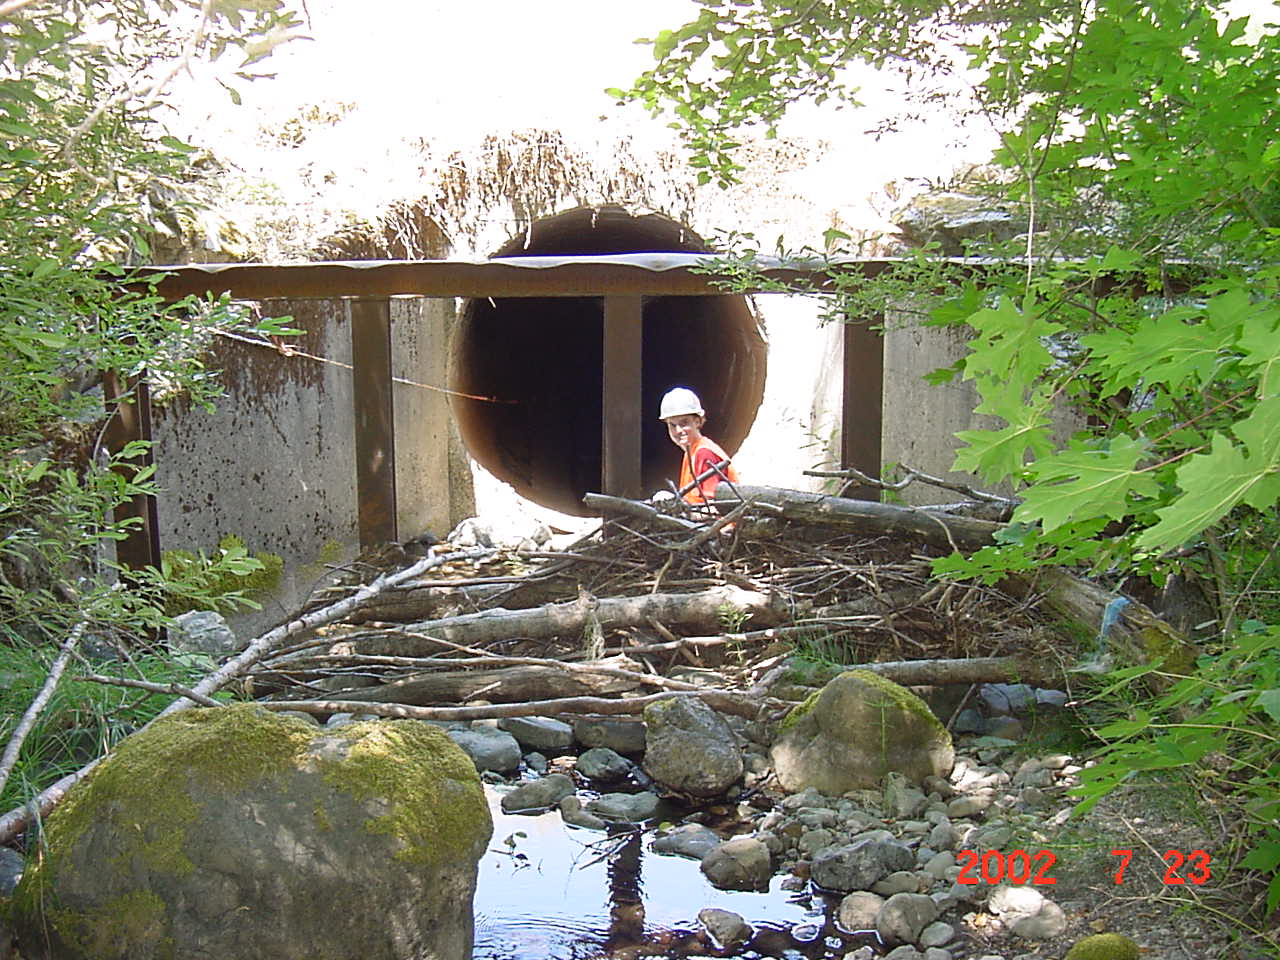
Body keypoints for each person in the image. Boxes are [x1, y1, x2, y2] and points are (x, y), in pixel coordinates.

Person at [658, 387, 739, 508]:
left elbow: (711, 508)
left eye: (684, 423)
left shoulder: (704, 453)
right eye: (672, 425)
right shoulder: (691, 452)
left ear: (697, 421)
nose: (678, 430)